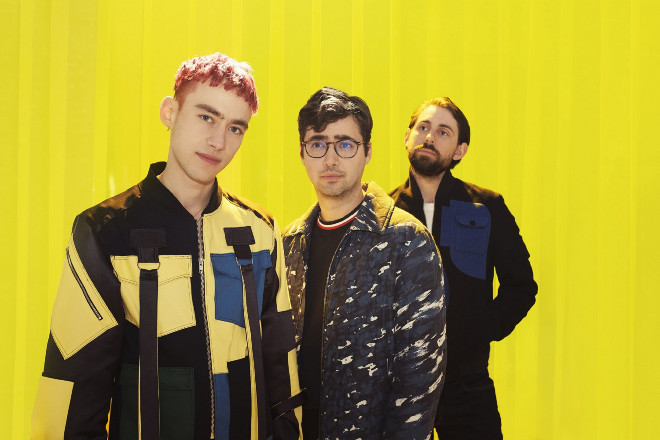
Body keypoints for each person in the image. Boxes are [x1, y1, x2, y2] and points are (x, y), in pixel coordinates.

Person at [31, 53, 303, 440]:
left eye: (235, 128)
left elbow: (281, 368)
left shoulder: (259, 230)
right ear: (170, 112)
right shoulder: (105, 231)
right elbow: (74, 388)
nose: (218, 141)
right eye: (206, 117)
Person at [282, 87, 446, 440]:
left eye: (345, 144)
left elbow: (420, 378)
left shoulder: (405, 240)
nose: (330, 159)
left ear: (367, 152)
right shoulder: (289, 243)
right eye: (318, 143)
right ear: (302, 153)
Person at [389, 97, 538, 439]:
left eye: (443, 132)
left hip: (468, 387)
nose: (430, 136)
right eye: (422, 127)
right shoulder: (384, 213)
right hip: (398, 388)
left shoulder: (486, 207)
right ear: (407, 137)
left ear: (460, 150)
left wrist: (482, 329)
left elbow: (521, 286)